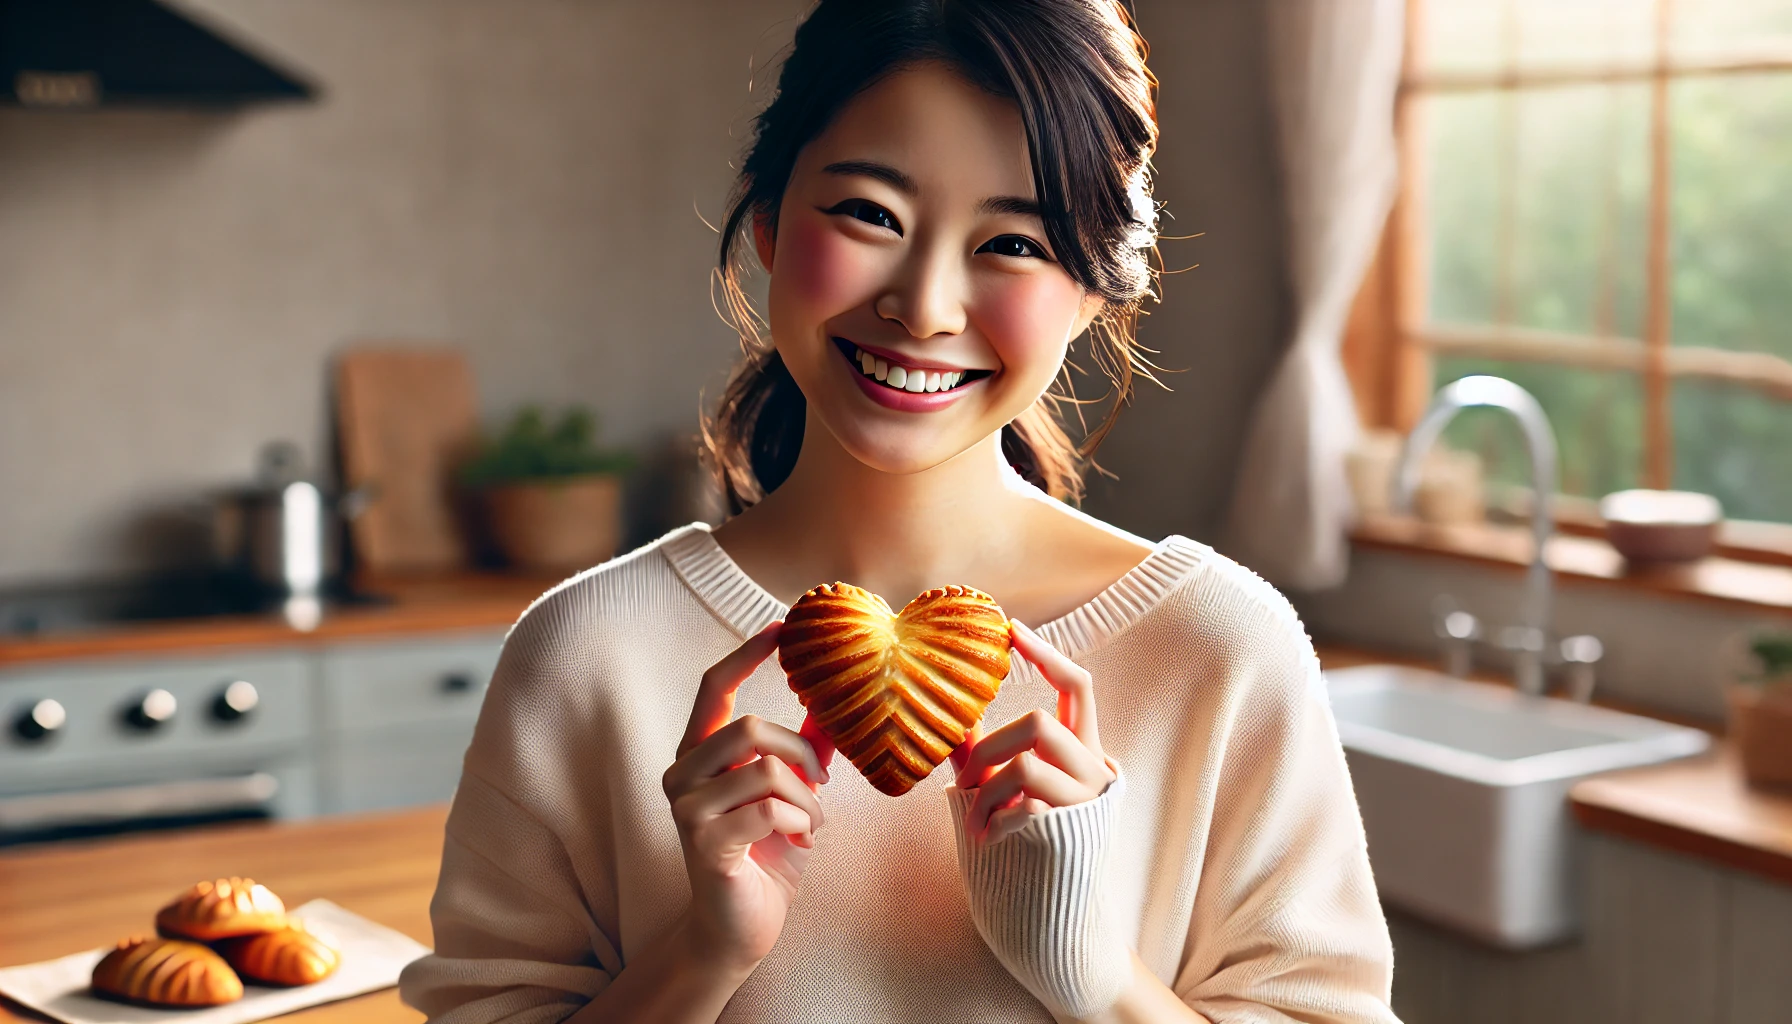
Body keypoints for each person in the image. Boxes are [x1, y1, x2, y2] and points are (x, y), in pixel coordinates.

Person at [398, 2, 1400, 1021]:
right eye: (871, 213)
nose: (924, 305)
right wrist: (703, 951)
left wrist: (1093, 973)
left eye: (1011, 240)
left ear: (1093, 292)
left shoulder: (1220, 649)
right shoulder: (584, 652)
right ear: (769, 228)